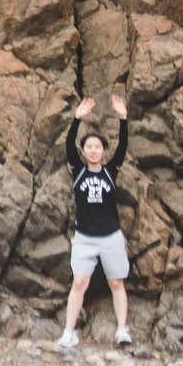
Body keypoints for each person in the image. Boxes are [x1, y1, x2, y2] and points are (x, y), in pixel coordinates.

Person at [58, 94, 132, 350]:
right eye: (88, 147)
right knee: (79, 282)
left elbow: (122, 148)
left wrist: (123, 118)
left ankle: (122, 330)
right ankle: (69, 332)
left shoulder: (111, 172)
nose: (92, 150)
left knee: (116, 282)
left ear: (103, 151)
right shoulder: (78, 171)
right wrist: (77, 119)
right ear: (84, 151)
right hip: (85, 237)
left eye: (97, 147)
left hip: (110, 235)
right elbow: (69, 145)